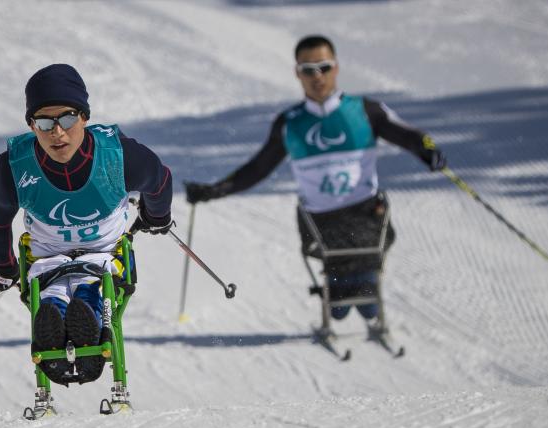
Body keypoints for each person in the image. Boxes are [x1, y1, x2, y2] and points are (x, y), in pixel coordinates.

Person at [185, 35, 446, 323]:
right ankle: (343, 294)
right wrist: (213, 191)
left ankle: (361, 288)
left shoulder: (364, 110)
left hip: (366, 217)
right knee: (340, 311)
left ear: (336, 68)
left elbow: (407, 135)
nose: (317, 76)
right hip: (321, 223)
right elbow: (258, 168)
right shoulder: (290, 123)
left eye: (323, 67)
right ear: (298, 74)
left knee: (366, 305)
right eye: (308, 70)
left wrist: (427, 150)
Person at [0, 63, 173, 384]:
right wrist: (4, 265)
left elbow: (159, 180)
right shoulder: (12, 167)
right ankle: (57, 322)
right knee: (53, 288)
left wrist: (157, 214)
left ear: (84, 116)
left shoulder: (119, 155)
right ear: (31, 125)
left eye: (67, 118)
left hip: (104, 253)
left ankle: (84, 317)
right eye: (44, 122)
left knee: (91, 285)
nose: (57, 132)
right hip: (47, 257)